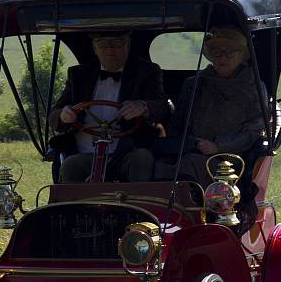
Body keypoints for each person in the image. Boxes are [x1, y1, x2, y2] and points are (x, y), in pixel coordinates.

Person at [48, 32, 170, 183]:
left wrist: (143, 107)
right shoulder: (79, 74)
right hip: (84, 152)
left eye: (116, 43)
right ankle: (74, 206)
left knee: (143, 158)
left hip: (127, 151)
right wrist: (63, 115)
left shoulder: (146, 72)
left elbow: (163, 107)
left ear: (127, 45)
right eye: (103, 44)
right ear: (94, 48)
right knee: (70, 166)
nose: (109, 50)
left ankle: (140, 204)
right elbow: (54, 116)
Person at [156, 26, 269, 187]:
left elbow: (255, 131)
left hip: (233, 158)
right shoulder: (194, 84)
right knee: (157, 164)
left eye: (229, 52)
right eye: (217, 52)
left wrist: (218, 146)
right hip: (191, 150)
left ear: (242, 56)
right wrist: (183, 144)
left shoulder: (254, 86)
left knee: (189, 164)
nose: (222, 57)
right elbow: (177, 123)